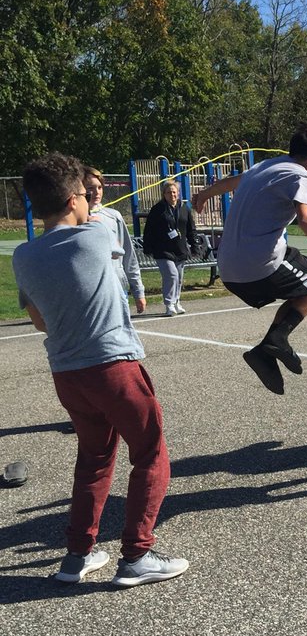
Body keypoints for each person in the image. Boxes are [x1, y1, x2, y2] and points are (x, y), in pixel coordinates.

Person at [13, 152, 188, 588]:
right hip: (112, 365)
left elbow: (39, 320)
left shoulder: (24, 256)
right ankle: (137, 556)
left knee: (93, 459)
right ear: (75, 199)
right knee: (150, 452)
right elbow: (103, 220)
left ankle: (78, 556)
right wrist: (92, 201)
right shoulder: (96, 234)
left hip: (66, 373)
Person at [191, 122, 307, 395]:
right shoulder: (303, 176)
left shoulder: (264, 167)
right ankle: (276, 340)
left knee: (299, 282)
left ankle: (270, 347)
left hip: (228, 269)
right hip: (258, 266)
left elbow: (232, 182)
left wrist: (204, 194)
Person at [82, 166, 146, 314]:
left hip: (117, 287)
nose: (96, 192)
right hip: (90, 292)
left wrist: (138, 291)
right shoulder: (74, 221)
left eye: (99, 187)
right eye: (90, 188)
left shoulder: (113, 217)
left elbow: (129, 257)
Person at [142, 179, 200, 316]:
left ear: (178, 193)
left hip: (179, 248)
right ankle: (169, 304)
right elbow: (149, 230)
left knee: (179, 277)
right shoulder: (157, 210)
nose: (172, 195)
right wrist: (147, 247)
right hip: (163, 250)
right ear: (164, 194)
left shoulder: (184, 209)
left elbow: (191, 229)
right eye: (168, 193)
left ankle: (177, 301)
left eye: (174, 192)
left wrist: (194, 245)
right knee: (171, 275)